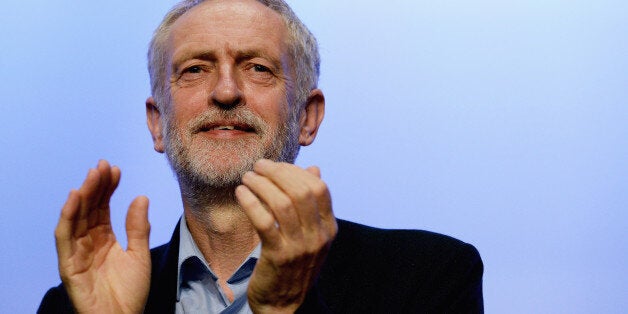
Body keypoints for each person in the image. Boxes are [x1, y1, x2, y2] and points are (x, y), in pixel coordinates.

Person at [38, 0, 484, 312]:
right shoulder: (75, 304)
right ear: (157, 123)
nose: (226, 91)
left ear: (307, 118)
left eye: (258, 68)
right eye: (195, 69)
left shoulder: (429, 277)